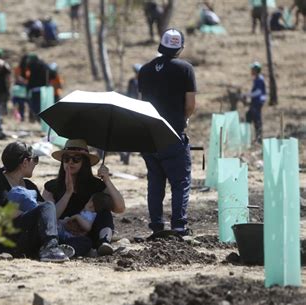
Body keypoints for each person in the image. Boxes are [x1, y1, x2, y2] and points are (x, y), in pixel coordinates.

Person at [137, 28, 196, 236]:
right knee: (180, 182)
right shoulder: (185, 69)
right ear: (180, 47)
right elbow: (190, 104)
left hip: (148, 136)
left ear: (161, 45)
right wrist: (184, 120)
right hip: (172, 135)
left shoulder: (144, 70)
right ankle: (179, 226)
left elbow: (142, 103)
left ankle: (156, 226)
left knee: (155, 183)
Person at [0, 141, 74, 262]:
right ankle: (50, 247)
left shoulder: (30, 186)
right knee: (46, 205)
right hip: (8, 238)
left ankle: (51, 248)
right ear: (25, 162)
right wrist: (32, 211)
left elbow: (50, 215)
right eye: (35, 159)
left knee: (83, 241)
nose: (36, 164)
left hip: (29, 237)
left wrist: (68, 193)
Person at [43, 139, 126, 256]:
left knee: (104, 212)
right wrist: (68, 193)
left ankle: (104, 242)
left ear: (84, 162)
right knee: (83, 243)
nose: (70, 162)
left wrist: (107, 180)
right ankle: (64, 250)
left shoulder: (96, 185)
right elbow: (48, 218)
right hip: (62, 233)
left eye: (76, 159)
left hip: (90, 234)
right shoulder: (51, 186)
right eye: (66, 159)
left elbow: (120, 208)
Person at [120, 63, 142, 165]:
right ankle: (124, 154)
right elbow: (130, 95)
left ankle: (127, 154)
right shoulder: (132, 82)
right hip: (132, 109)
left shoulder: (143, 82)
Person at [243, 61, 266, 144]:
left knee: (256, 120)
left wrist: (247, 94)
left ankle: (258, 139)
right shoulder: (257, 79)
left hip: (257, 103)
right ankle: (254, 138)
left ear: (256, 70)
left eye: (252, 69)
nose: (251, 71)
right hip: (255, 103)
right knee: (250, 117)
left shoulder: (259, 79)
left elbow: (258, 92)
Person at [26, 53, 49, 122]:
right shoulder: (43, 65)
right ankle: (40, 120)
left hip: (34, 88)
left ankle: (36, 118)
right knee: (42, 105)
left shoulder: (30, 66)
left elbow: (28, 77)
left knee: (35, 105)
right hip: (43, 88)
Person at [12, 54, 29, 121]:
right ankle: (18, 118)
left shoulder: (28, 69)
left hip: (24, 89)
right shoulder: (19, 68)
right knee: (18, 104)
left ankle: (22, 118)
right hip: (19, 89)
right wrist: (25, 81)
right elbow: (16, 77)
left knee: (22, 105)